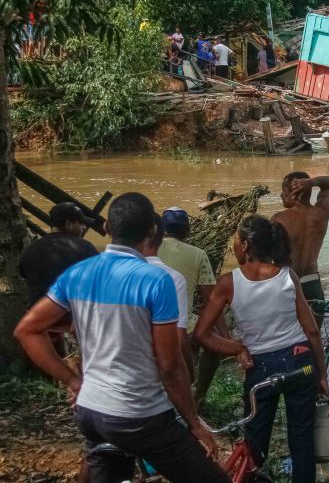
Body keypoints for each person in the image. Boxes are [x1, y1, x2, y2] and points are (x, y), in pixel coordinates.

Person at [14, 193, 228, 483]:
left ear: (106, 228)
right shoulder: (157, 281)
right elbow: (169, 365)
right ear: (152, 231)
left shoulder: (78, 273)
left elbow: (27, 330)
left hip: (90, 413)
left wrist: (72, 380)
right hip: (139, 415)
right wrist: (194, 422)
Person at [194, 215, 326, 483]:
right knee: (302, 441)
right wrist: (321, 375)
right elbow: (311, 330)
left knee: (255, 445)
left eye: (235, 240)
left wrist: (236, 348)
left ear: (245, 244)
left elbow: (202, 334)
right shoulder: (288, 276)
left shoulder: (228, 283)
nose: (234, 246)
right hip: (300, 362)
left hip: (260, 368)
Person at [157, 207, 224, 406]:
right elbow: (211, 300)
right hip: (183, 328)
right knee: (214, 347)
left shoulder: (147, 250)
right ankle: (198, 396)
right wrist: (225, 336)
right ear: (188, 231)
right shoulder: (198, 254)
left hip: (149, 325)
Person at [18, 202, 98, 356]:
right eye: (81, 224)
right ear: (68, 223)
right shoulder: (85, 248)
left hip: (40, 322)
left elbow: (24, 276)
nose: (83, 228)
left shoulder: (31, 249)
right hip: (73, 322)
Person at [271, 173, 329, 306]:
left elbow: (271, 256)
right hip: (311, 281)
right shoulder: (321, 213)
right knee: (313, 326)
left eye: (284, 192)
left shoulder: (278, 219)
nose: (281, 195)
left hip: (286, 282)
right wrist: (311, 182)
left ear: (294, 193)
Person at [145, 213, 192, 379]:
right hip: (154, 373)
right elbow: (178, 337)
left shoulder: (95, 272)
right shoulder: (172, 278)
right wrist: (188, 374)